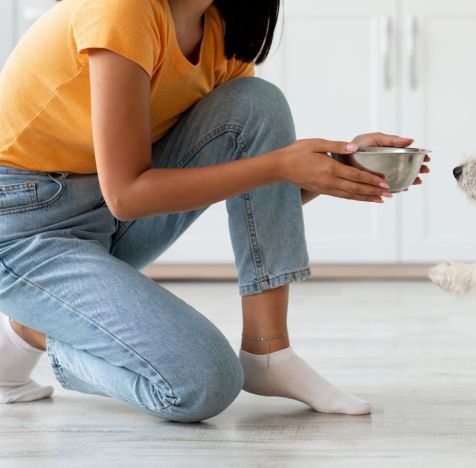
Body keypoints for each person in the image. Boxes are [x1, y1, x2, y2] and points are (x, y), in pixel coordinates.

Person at [0, 0, 428, 421]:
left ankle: (268, 350)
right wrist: (280, 165)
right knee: (203, 384)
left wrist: (331, 171)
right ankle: (38, 328)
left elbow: (253, 197)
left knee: (257, 103)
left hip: (102, 209)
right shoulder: (124, 8)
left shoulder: (219, 29)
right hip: (23, 224)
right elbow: (128, 195)